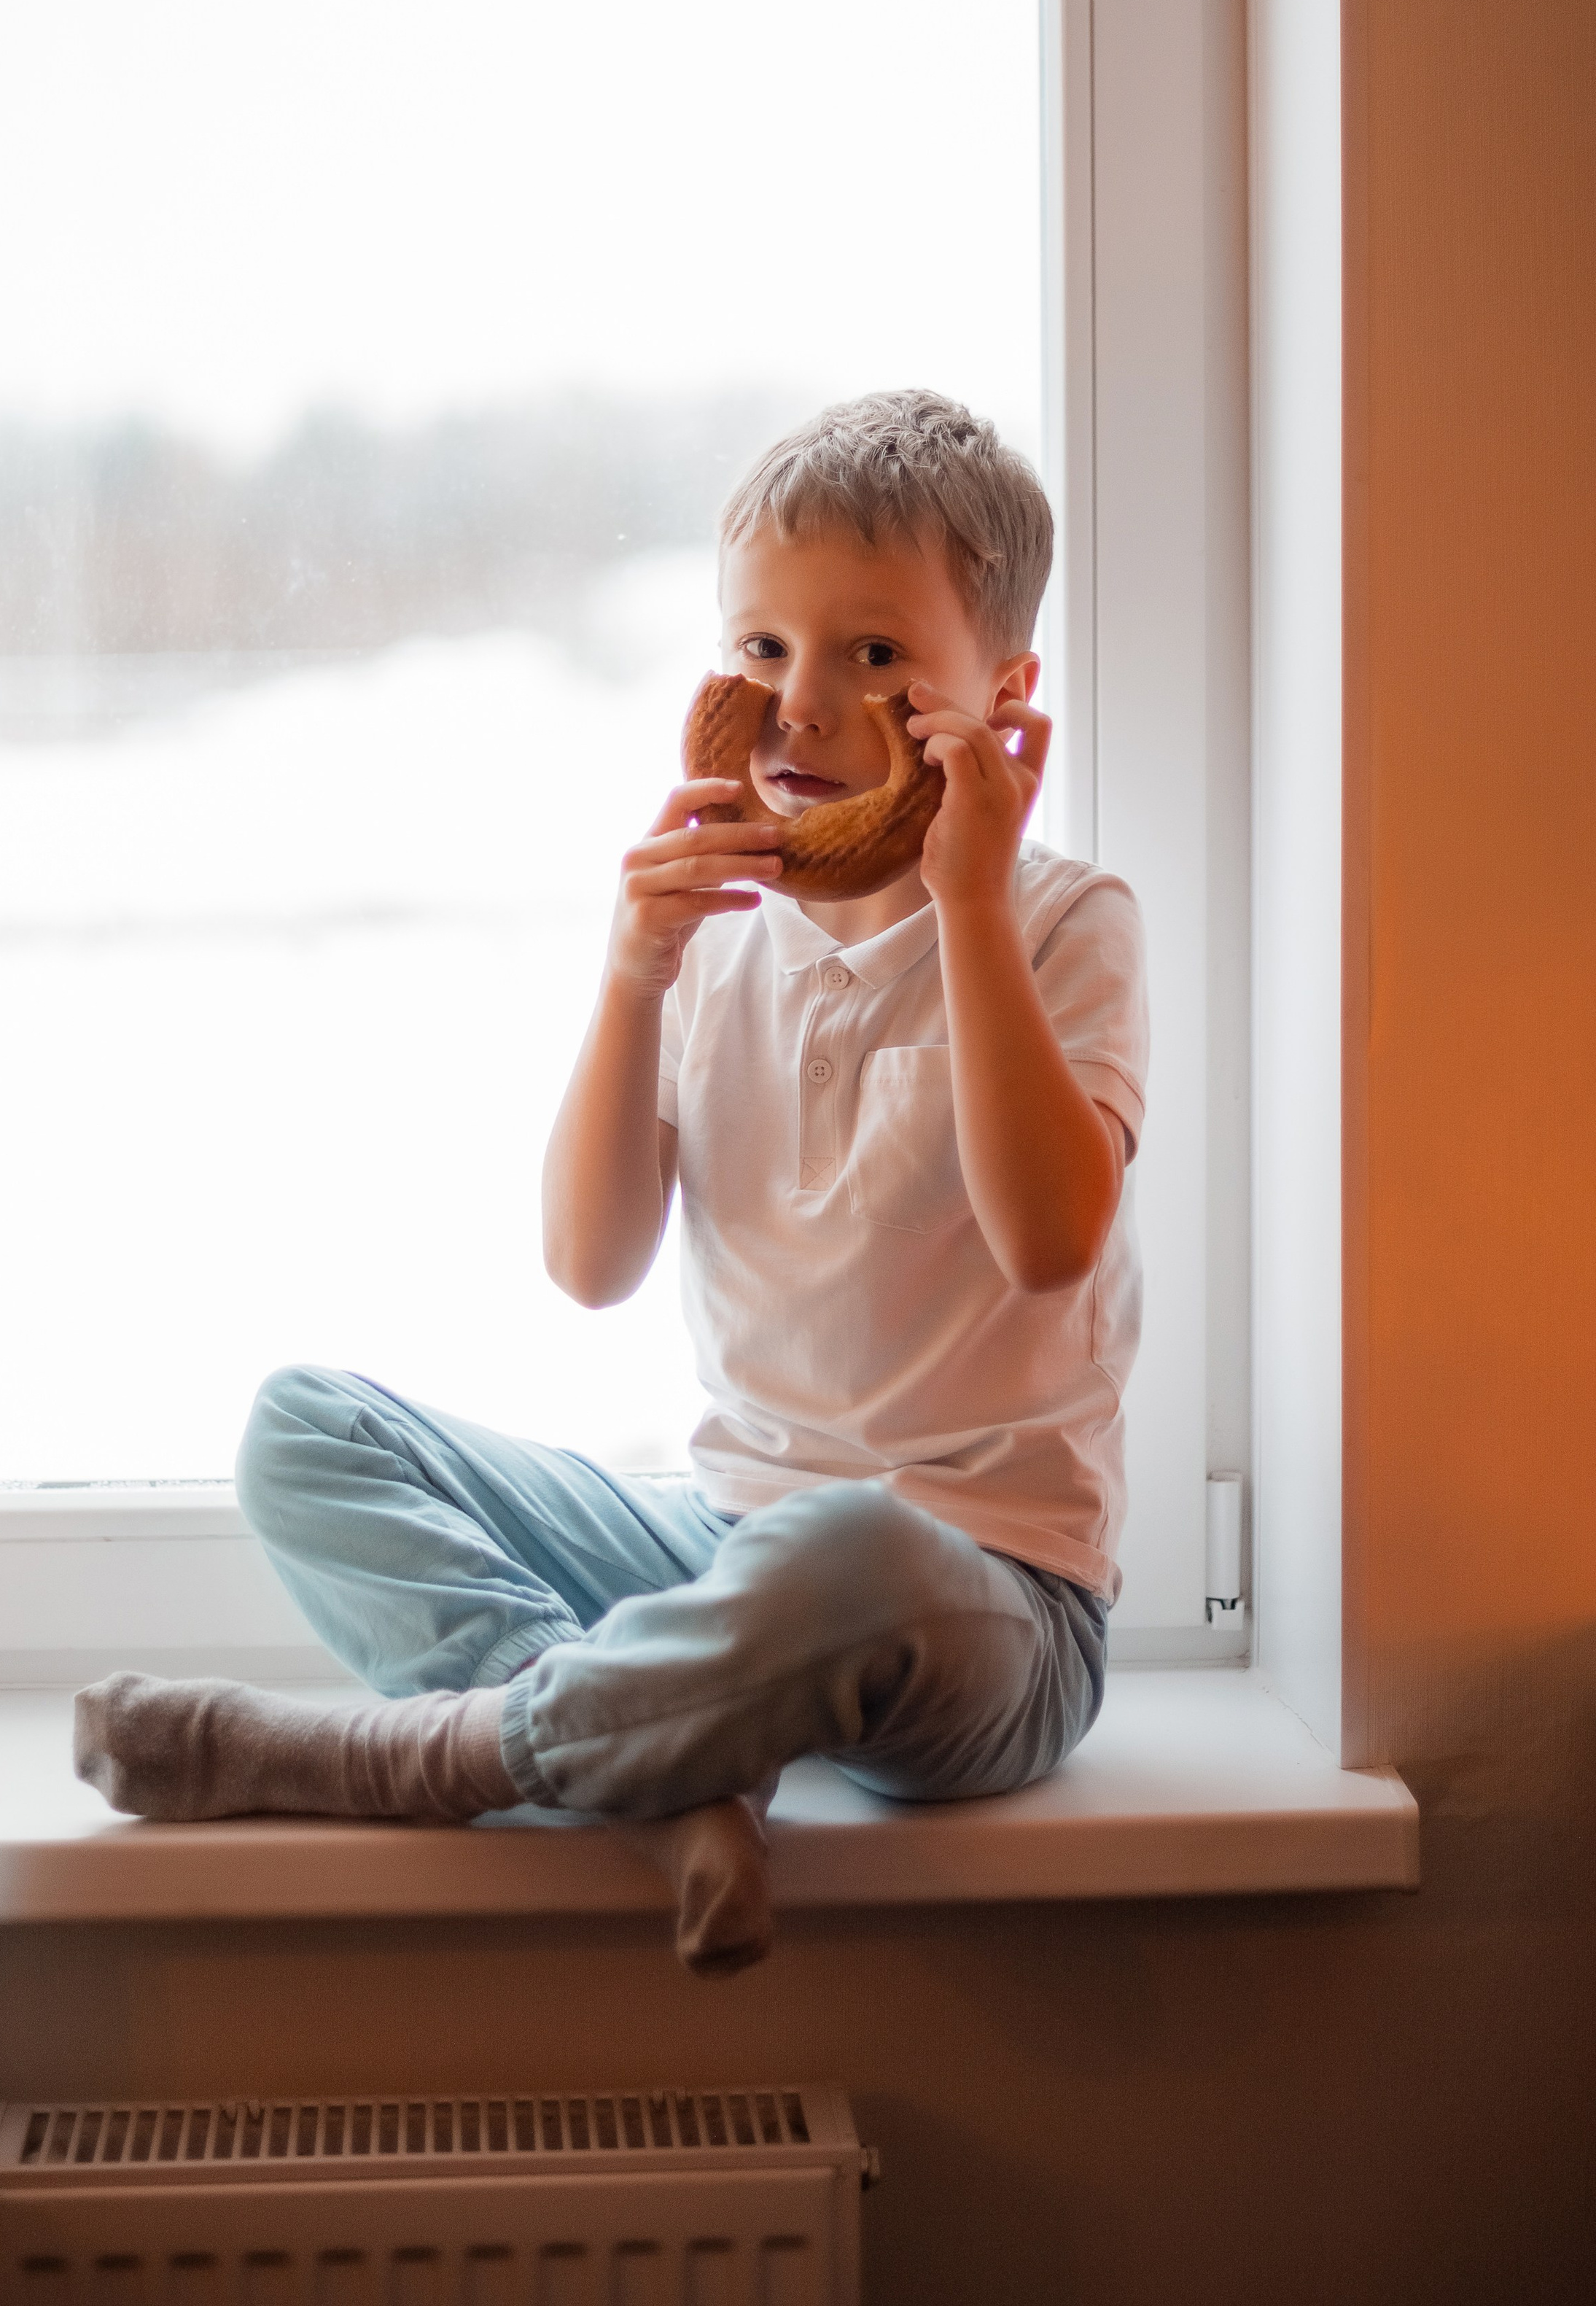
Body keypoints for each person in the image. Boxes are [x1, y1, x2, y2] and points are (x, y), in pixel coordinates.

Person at [74, 389, 1148, 1976]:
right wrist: (634, 975)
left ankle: (426, 1757)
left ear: (1002, 694)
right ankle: (661, 1779)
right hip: (722, 1538)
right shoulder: (714, 941)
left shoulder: (1063, 922)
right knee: (304, 1430)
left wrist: (970, 906)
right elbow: (591, 1264)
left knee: (845, 1547)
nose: (801, 705)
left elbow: (1050, 1240)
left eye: (872, 654)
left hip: (978, 1600)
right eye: (762, 647)